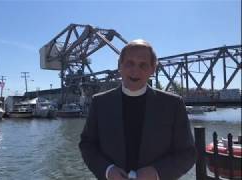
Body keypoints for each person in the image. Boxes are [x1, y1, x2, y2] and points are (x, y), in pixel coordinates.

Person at [79, 39, 196, 180]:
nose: (136, 70)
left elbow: (187, 153)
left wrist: (157, 172)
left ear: (153, 69)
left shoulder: (173, 104)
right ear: (120, 66)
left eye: (143, 65)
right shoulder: (99, 102)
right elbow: (87, 145)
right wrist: (107, 170)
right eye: (130, 63)